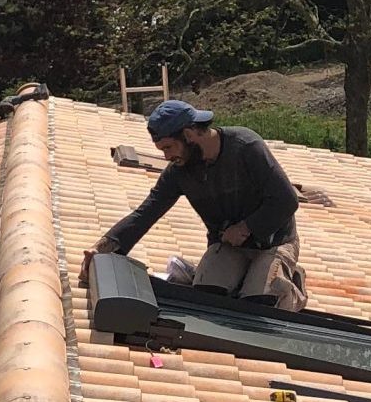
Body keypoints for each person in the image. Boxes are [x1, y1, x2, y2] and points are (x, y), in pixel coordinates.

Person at [92, 99, 306, 309]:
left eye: (169, 147)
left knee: (261, 304)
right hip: (228, 245)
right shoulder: (179, 172)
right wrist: (104, 248)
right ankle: (239, 279)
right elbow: (147, 212)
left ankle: (292, 285)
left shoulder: (245, 146)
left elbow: (286, 199)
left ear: (189, 134)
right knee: (208, 298)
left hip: (275, 241)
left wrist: (246, 227)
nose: (167, 156)